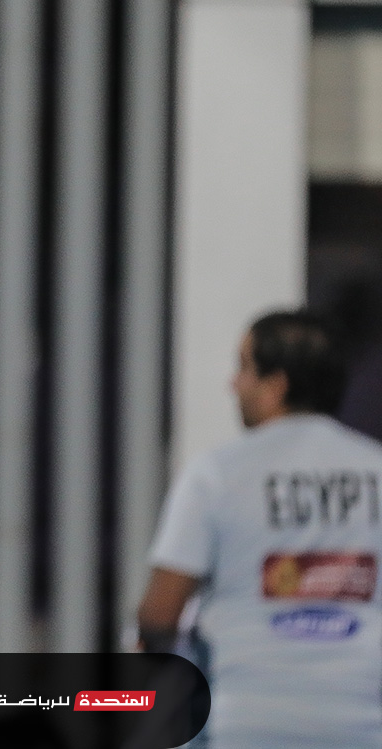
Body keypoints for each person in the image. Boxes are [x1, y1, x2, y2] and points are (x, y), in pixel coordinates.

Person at [139, 310, 382, 749]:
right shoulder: (376, 470)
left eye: (244, 368)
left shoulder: (216, 474)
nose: (233, 384)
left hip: (244, 725)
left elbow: (159, 614)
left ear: (276, 385)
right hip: (363, 726)